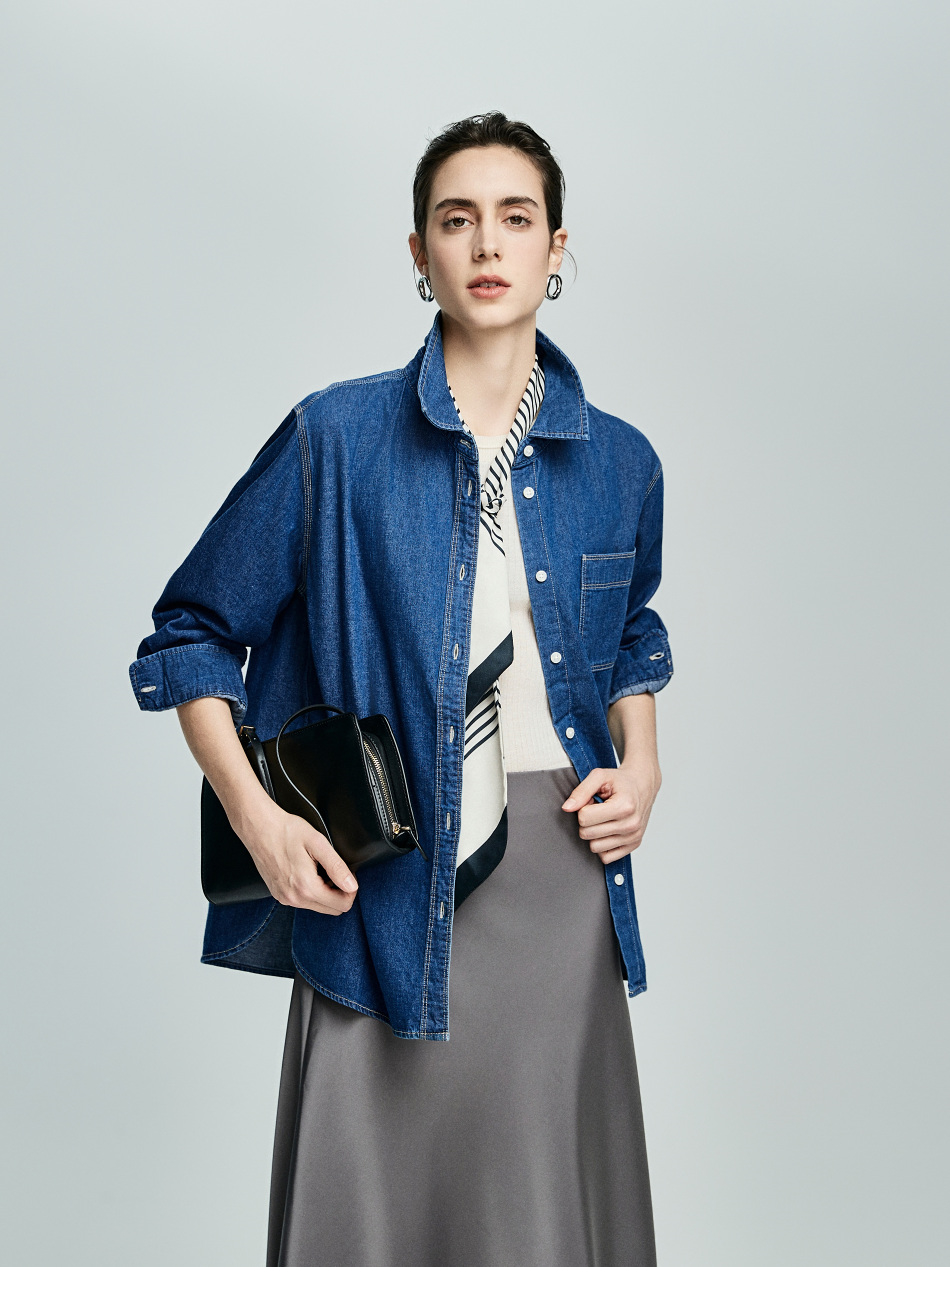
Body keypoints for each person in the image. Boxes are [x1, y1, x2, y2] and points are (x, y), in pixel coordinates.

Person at [129, 111, 673, 1267]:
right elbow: (191, 635)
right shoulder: (334, 438)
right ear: (419, 251)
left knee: (538, 1217)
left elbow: (631, 635)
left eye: (514, 218)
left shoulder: (620, 460)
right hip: (378, 877)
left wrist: (643, 765)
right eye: (455, 219)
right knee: (366, 1226)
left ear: (555, 249)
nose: (486, 243)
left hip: (558, 876)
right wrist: (258, 819)